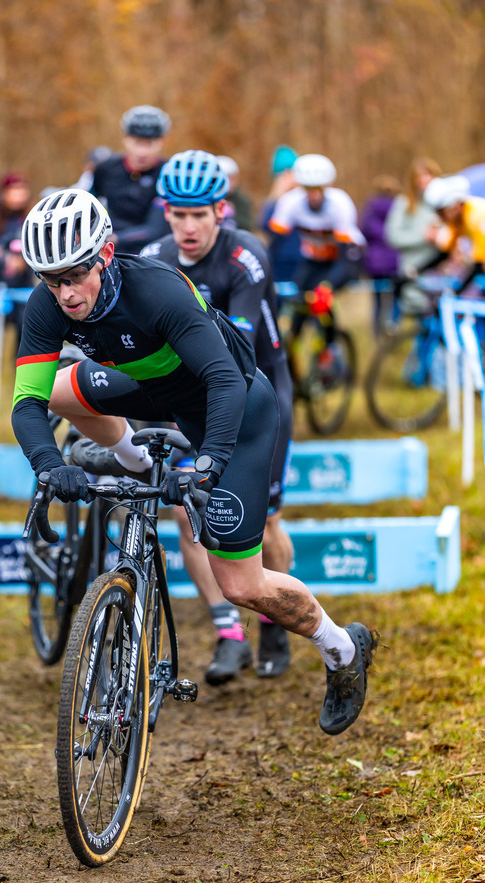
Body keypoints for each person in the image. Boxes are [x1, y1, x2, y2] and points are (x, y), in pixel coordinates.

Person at [11, 188, 379, 736]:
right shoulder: (47, 306)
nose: (64, 294)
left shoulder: (157, 289)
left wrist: (207, 464)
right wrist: (47, 463)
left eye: (74, 276)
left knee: (242, 586)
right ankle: (133, 459)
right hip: (150, 389)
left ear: (105, 256)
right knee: (62, 393)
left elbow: (225, 380)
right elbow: (27, 402)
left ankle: (343, 649)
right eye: (51, 279)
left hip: (231, 409)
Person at [136, 149, 294, 683]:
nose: (187, 227)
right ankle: (228, 630)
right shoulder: (155, 257)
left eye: (198, 214)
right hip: (190, 394)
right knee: (186, 512)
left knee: (264, 521)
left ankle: (275, 617)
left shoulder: (246, 258)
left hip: (256, 393)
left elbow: (235, 358)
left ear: (220, 211)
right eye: (177, 215)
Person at [421, 174, 485, 372]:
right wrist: (414, 271)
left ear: (455, 206)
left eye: (441, 212)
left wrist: (457, 291)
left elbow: (478, 265)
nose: (439, 218)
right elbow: (444, 253)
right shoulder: (459, 220)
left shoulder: (476, 215)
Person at [268, 154, 365, 347]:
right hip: (313, 259)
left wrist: (328, 285)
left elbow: (346, 258)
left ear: (326, 187)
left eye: (318, 189)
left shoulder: (340, 204)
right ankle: (292, 348)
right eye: (308, 189)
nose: (313, 195)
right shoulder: (290, 202)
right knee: (297, 303)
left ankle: (329, 350)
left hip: (345, 259)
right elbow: (275, 245)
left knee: (321, 298)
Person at [90, 105, 171, 254]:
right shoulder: (105, 169)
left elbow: (156, 229)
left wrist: (115, 238)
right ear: (125, 139)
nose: (142, 152)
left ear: (162, 142)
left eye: (149, 144)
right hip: (108, 247)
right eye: (137, 142)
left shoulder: (167, 173)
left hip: (151, 250)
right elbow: (89, 204)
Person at [0, 172, 35, 375]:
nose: (18, 196)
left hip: (23, 286)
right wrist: (3, 255)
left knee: (24, 332)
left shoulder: (31, 218)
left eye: (22, 191)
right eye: (14, 191)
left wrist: (24, 259)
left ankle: (21, 374)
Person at [384, 157, 442, 316]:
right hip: (413, 269)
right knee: (421, 310)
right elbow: (392, 235)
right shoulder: (404, 203)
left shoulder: (443, 202)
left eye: (428, 175)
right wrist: (424, 236)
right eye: (419, 177)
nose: (424, 181)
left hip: (440, 268)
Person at [359, 175, 402, 336]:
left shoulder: (370, 209)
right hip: (394, 261)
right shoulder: (400, 207)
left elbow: (363, 232)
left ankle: (377, 332)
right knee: (395, 294)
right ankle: (393, 324)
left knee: (377, 300)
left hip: (375, 262)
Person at [259, 146, 301, 285]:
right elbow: (266, 227)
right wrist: (277, 196)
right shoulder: (273, 201)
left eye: (291, 173)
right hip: (279, 261)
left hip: (302, 261)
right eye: (283, 175)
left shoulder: (303, 200)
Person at [216, 155, 253, 231]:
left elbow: (247, 225)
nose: (228, 183)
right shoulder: (207, 198)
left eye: (231, 178)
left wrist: (233, 213)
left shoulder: (242, 200)